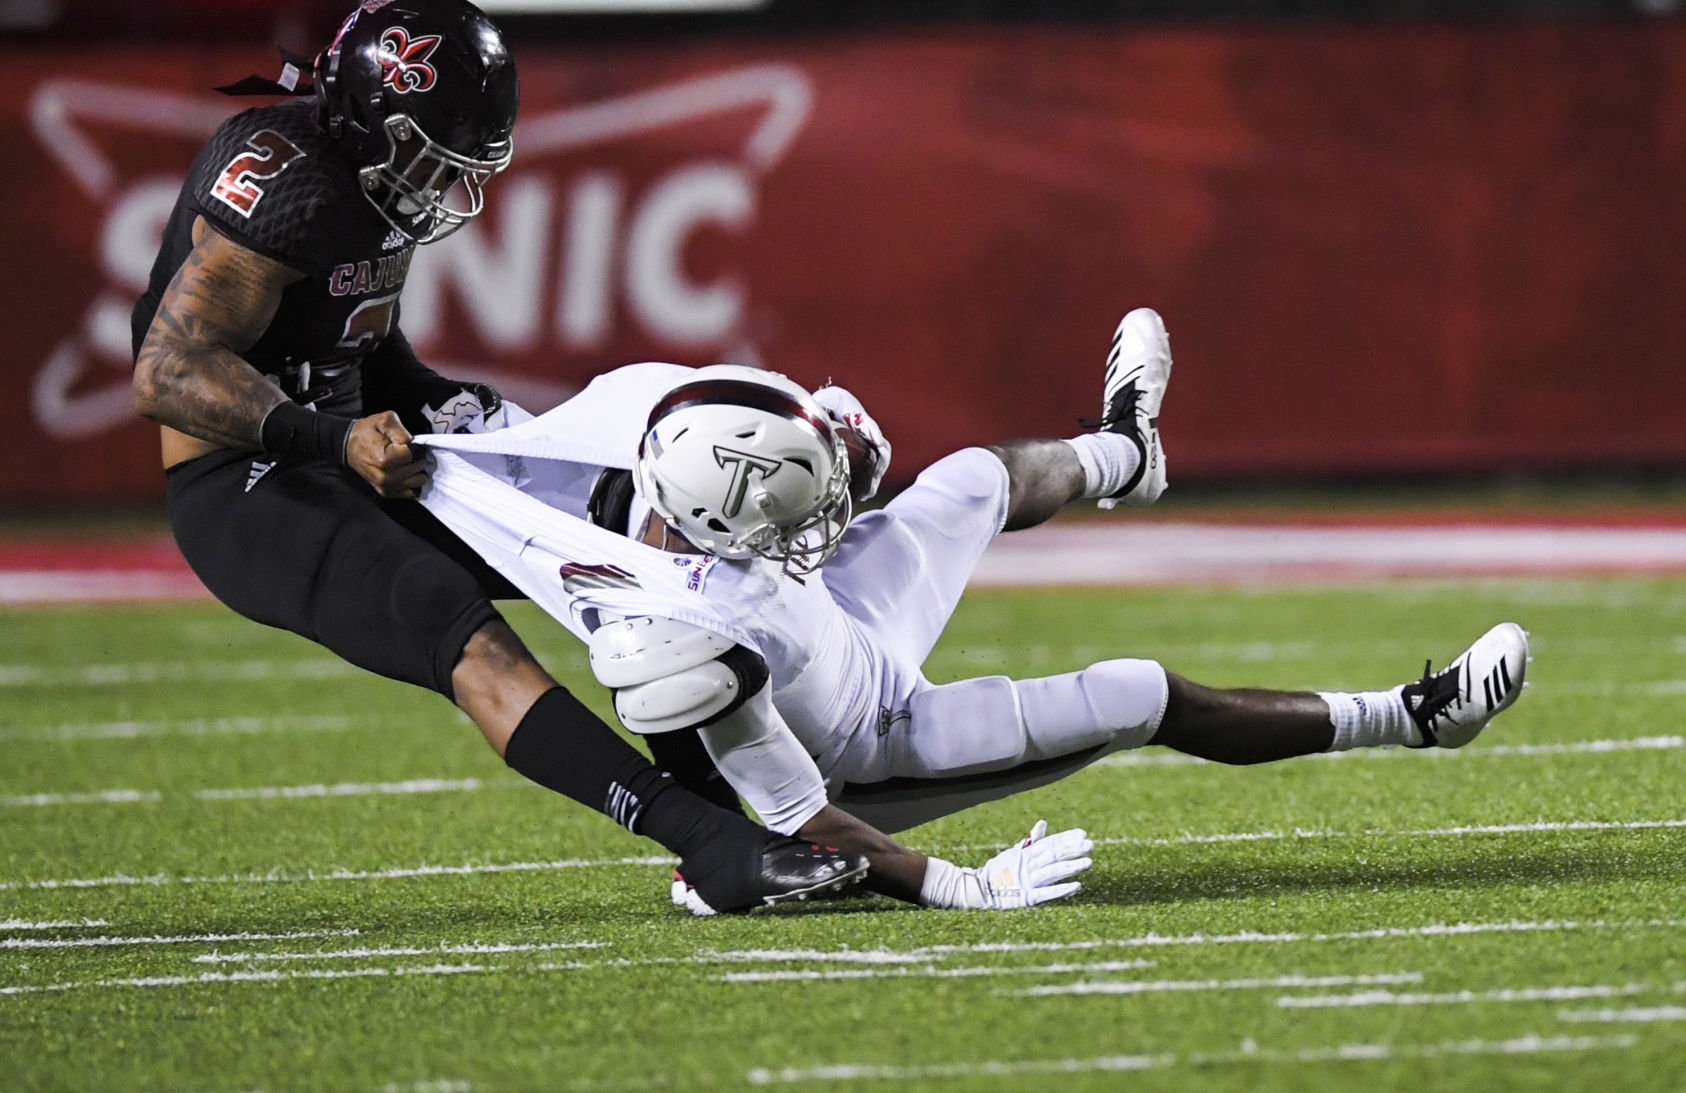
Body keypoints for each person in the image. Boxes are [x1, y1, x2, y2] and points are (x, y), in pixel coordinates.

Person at [128, 0, 873, 916]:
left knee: (636, 541)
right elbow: (166, 370)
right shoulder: (284, 181)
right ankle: (712, 847)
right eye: (437, 162)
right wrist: (331, 434)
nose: (453, 191)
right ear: (380, 121)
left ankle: (753, 807)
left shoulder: (368, 184)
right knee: (452, 624)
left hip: (372, 446)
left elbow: (357, 342)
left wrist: (438, 400)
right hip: (247, 480)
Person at [415, 308, 1531, 914]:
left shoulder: (648, 420)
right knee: (1134, 691)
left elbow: (766, 454)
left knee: (966, 479)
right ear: (720, 526)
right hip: (862, 748)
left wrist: (831, 441)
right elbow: (797, 812)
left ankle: (1127, 450)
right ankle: (1419, 715)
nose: (816, 519)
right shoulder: (668, 634)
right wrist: (961, 885)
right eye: (789, 514)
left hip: (843, 630)